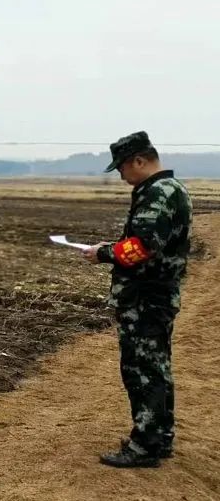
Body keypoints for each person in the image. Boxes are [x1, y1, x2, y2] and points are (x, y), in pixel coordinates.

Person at [84, 131, 192, 468]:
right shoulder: (171, 190)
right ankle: (159, 438)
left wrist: (103, 253)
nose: (121, 176)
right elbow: (144, 241)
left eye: (122, 169)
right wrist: (115, 245)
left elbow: (143, 248)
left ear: (140, 161)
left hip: (146, 298)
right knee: (156, 367)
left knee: (142, 370)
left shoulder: (157, 194)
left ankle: (145, 445)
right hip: (156, 295)